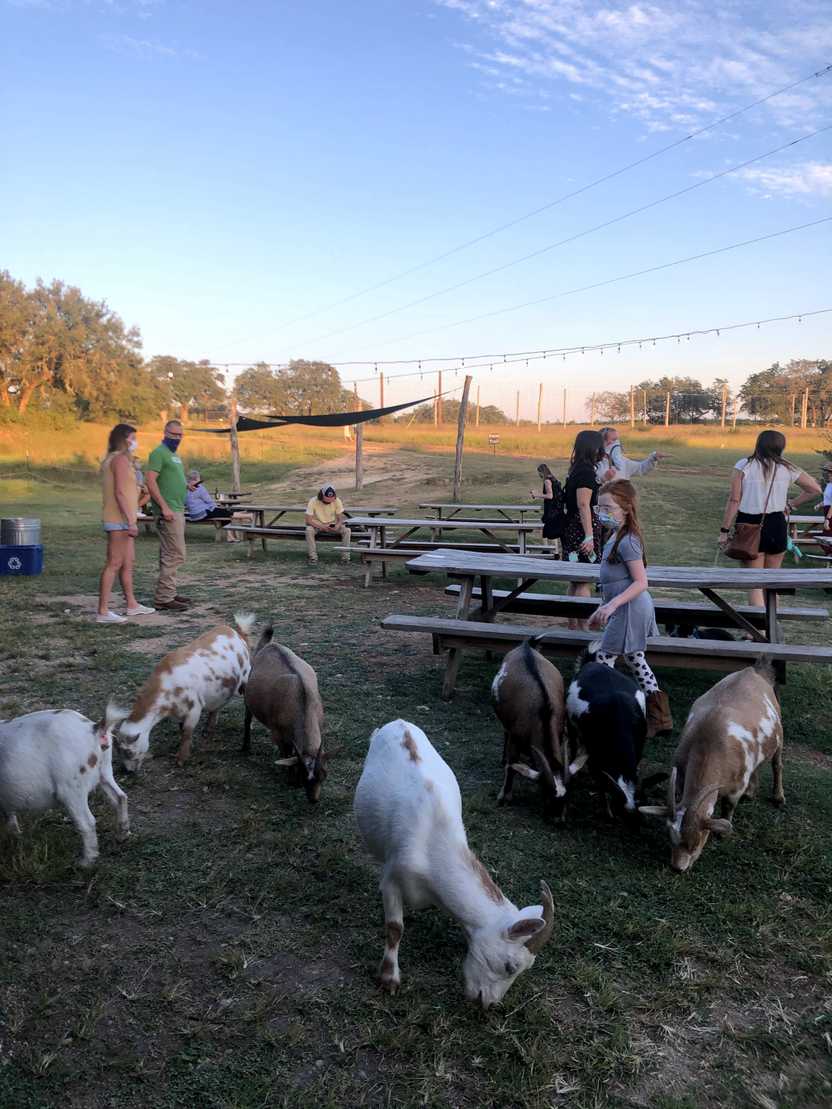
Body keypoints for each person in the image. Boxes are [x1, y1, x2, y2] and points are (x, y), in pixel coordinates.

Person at [588, 479, 672, 738]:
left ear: (626, 508)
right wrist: (603, 607)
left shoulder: (629, 541)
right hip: (622, 608)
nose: (602, 513)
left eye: (608, 508)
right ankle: (660, 717)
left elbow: (641, 582)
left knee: (604, 659)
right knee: (635, 658)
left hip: (630, 608)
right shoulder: (616, 536)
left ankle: (605, 713)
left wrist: (613, 605)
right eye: (599, 508)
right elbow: (614, 582)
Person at [719, 429, 821, 606]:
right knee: (771, 583)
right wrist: (791, 504)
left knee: (755, 584)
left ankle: (757, 632)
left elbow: (735, 499)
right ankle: (772, 627)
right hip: (777, 523)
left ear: (758, 444)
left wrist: (724, 530)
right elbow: (815, 489)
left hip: (749, 525)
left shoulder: (744, 465)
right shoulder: (787, 467)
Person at [97, 424, 155, 624]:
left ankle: (132, 604)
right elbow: (120, 492)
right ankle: (103, 611)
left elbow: (128, 493)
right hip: (119, 520)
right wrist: (131, 520)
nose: (135, 442)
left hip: (125, 518)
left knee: (128, 563)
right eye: (133, 438)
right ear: (124, 439)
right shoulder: (119, 459)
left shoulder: (117, 460)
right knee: (114, 563)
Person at [562, 430, 605, 630]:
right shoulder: (586, 471)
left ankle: (573, 627)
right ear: (593, 448)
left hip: (570, 531)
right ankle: (583, 631)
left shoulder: (576, 469)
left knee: (574, 579)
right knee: (583, 581)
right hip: (581, 532)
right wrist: (589, 536)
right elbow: (582, 504)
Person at [145, 419, 190, 611]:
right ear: (165, 433)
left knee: (170, 553)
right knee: (175, 553)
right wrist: (164, 507)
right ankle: (164, 597)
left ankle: (168, 592)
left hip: (178, 508)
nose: (177, 438)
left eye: (180, 435)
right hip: (169, 510)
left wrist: (186, 485)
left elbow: (170, 479)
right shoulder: (158, 453)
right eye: (173, 434)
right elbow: (151, 481)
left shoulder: (174, 455)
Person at [596, 426, 668, 484]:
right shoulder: (594, 462)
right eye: (613, 439)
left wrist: (653, 457)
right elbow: (589, 485)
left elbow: (641, 468)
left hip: (622, 500)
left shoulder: (622, 461)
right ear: (602, 442)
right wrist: (603, 478)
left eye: (617, 439)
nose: (617, 443)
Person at [305, 484, 351, 565]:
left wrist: (337, 526)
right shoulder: (313, 501)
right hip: (317, 525)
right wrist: (321, 527)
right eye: (326, 500)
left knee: (347, 530)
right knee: (308, 530)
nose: (329, 501)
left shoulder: (337, 501)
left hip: (332, 524)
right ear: (321, 496)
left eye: (331, 499)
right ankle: (313, 557)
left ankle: (345, 558)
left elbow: (340, 519)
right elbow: (308, 520)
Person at [529, 463, 561, 548]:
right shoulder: (554, 479)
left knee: (544, 530)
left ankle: (546, 548)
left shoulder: (547, 480)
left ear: (542, 472)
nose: (538, 475)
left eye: (539, 473)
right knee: (552, 530)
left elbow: (550, 496)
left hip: (550, 510)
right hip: (555, 509)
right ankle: (555, 550)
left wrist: (536, 495)